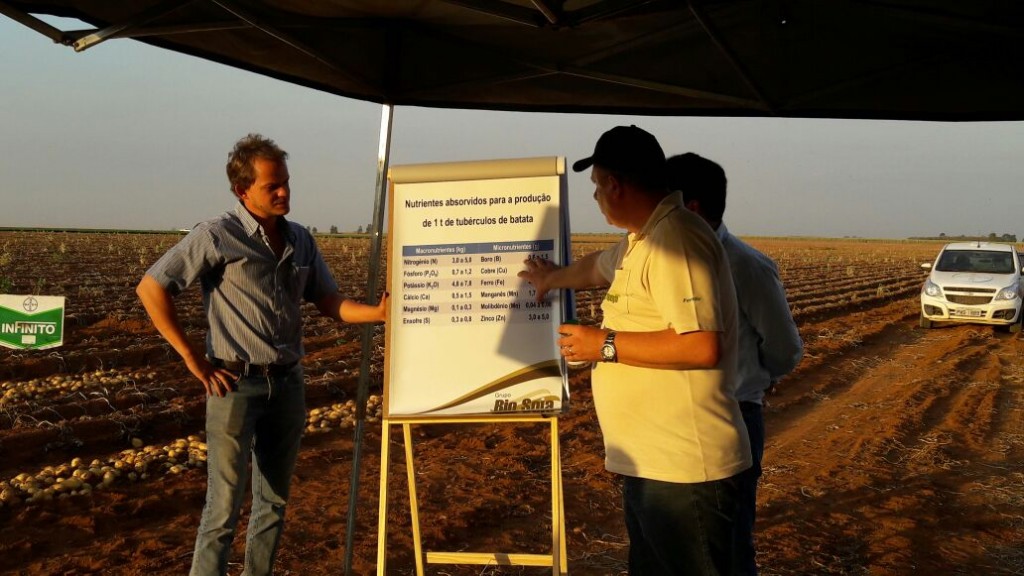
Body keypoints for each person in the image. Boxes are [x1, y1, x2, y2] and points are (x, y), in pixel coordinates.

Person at [135, 133, 387, 576]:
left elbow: (328, 301)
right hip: (235, 384)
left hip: (287, 383)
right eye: (273, 186)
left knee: (273, 502)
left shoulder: (301, 240)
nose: (284, 192)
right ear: (242, 190)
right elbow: (152, 286)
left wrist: (378, 313)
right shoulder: (217, 236)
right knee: (223, 507)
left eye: (286, 182)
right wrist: (194, 359)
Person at [519, 126, 751, 575]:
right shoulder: (642, 240)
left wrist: (602, 344)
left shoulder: (674, 241)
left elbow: (702, 345)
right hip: (655, 464)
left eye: (596, 188)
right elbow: (596, 267)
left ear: (614, 185)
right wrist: (552, 278)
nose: (597, 199)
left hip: (686, 470)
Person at [667, 152, 804, 575]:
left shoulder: (746, 266)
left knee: (726, 543)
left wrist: (759, 377)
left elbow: (785, 348)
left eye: (662, 203)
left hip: (732, 417)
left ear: (691, 209)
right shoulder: (666, 261)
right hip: (673, 419)